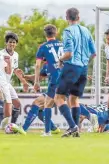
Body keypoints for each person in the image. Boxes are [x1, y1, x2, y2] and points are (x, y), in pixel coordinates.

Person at [54, 7, 96, 137]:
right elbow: (93, 53)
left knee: (59, 97)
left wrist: (60, 60)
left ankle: (73, 127)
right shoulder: (86, 30)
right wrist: (84, 62)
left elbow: (69, 54)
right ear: (78, 17)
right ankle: (76, 128)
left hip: (72, 67)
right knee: (74, 99)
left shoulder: (68, 31)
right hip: (83, 68)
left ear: (67, 18)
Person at [0, 32, 29, 133]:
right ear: (6, 43)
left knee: (17, 104)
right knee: (7, 113)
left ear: (16, 44)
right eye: (10, 42)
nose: (12, 44)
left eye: (14, 42)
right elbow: (5, 70)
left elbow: (16, 70)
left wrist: (24, 82)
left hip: (7, 83)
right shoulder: (0, 54)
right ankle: (10, 128)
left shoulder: (16, 55)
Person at [29, 24, 63, 136]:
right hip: (68, 77)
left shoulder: (43, 47)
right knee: (69, 102)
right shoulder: (63, 45)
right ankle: (76, 124)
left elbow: (38, 66)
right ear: (56, 33)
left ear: (45, 34)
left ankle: (48, 131)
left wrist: (36, 82)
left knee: (47, 104)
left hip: (55, 78)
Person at [21, 63, 60, 134]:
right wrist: (24, 76)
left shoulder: (59, 63)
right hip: (53, 90)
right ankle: (53, 129)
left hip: (60, 90)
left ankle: (23, 129)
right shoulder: (46, 65)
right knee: (39, 110)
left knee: (37, 103)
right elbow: (38, 77)